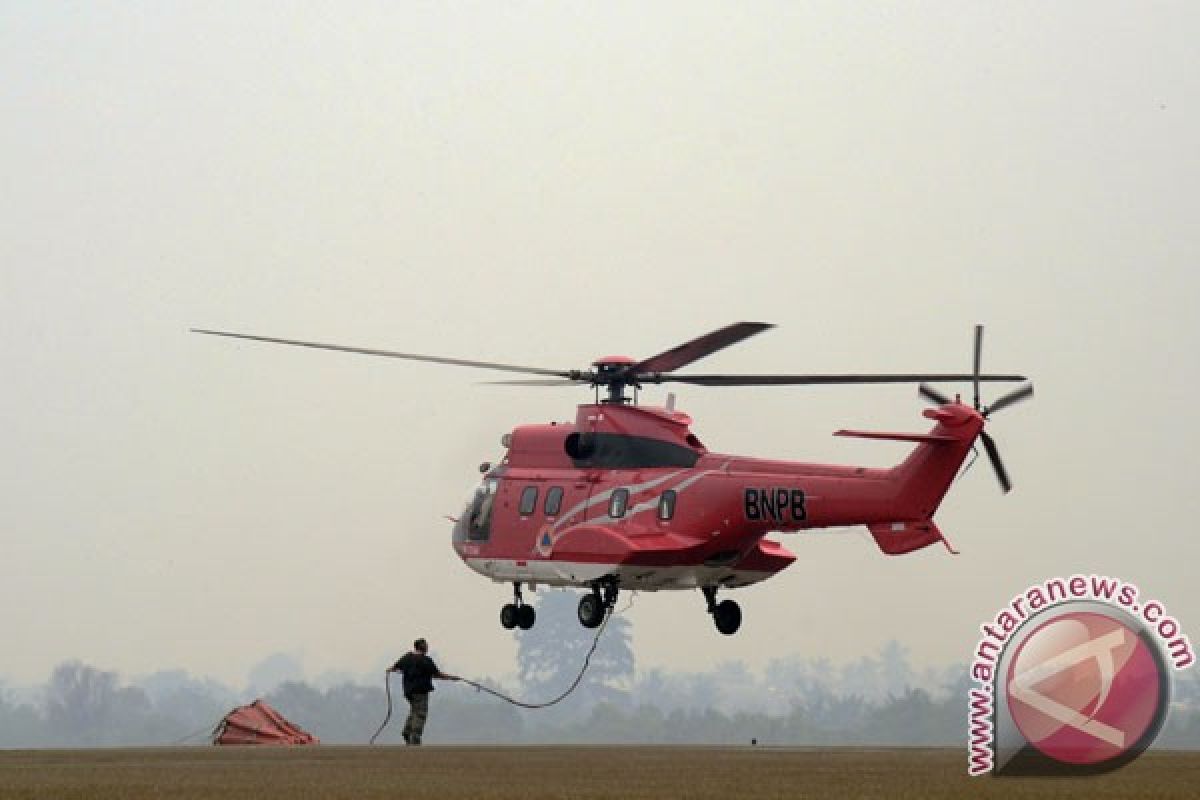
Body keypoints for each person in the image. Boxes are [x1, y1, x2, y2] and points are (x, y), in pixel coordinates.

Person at [389, 638, 459, 745]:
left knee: (414, 711)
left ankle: (407, 732)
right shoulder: (426, 660)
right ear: (422, 647)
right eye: (426, 645)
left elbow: (394, 667)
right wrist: (452, 678)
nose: (427, 647)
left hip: (408, 691)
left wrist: (394, 670)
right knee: (420, 713)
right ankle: (415, 737)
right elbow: (437, 675)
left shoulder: (407, 657)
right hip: (420, 692)